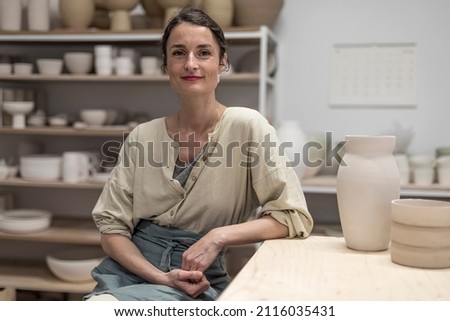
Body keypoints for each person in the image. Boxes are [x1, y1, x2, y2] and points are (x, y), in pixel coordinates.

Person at [84, 7, 313, 301]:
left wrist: (218, 236)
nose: (191, 63)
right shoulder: (142, 136)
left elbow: (292, 217)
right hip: (130, 271)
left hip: (197, 278)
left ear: (222, 63)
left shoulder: (247, 126)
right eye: (179, 53)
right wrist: (160, 276)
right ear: (166, 65)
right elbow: (112, 229)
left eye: (203, 53)